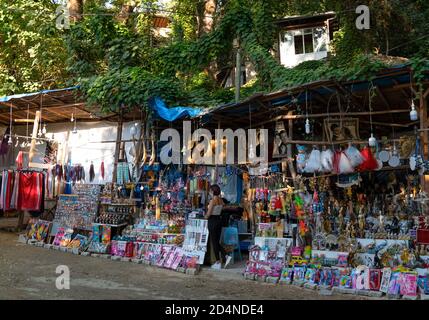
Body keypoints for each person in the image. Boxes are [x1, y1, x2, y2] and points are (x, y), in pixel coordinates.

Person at [205, 184, 232, 270]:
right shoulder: (221, 200)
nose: (209, 192)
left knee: (214, 242)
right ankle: (224, 256)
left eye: (210, 190)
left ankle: (219, 261)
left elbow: (209, 214)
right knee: (217, 241)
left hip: (212, 221)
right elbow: (223, 208)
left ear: (212, 191)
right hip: (218, 221)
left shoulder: (212, 201)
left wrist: (204, 217)